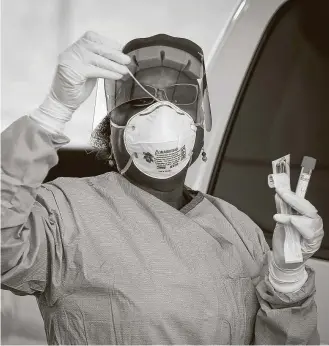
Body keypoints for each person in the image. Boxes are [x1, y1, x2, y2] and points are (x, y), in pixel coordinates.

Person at [1, 31, 324, 345]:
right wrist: (52, 112)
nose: (162, 113)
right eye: (140, 99)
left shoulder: (237, 226)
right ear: (111, 129)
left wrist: (286, 280)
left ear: (200, 124)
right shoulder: (64, 213)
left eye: (181, 98)